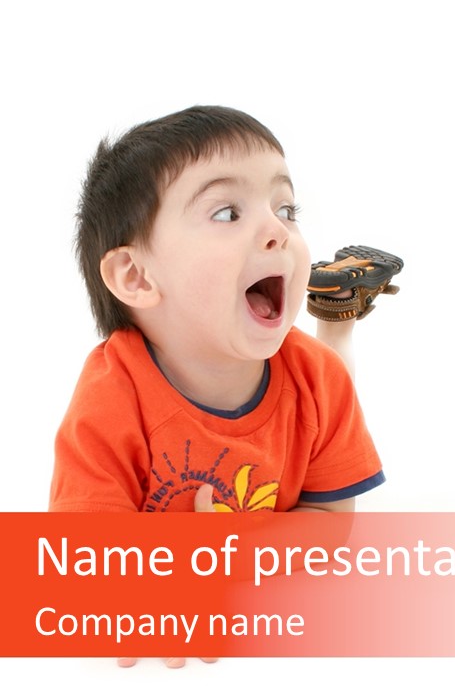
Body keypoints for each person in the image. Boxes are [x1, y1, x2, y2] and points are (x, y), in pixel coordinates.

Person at [49, 106, 401, 665]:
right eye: (227, 212)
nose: (278, 230)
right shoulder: (112, 395)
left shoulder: (317, 381)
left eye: (287, 208)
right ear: (137, 277)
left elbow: (332, 525)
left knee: (330, 376)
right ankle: (338, 320)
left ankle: (338, 320)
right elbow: (82, 558)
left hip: (315, 386)